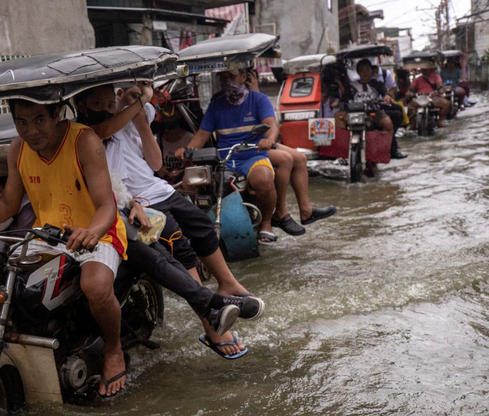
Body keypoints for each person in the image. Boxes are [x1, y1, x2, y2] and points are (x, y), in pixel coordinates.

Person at [0, 99, 129, 398]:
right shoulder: (18, 148)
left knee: (94, 286)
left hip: (97, 232)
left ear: (56, 114)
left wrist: (91, 232)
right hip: (47, 235)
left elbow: (107, 205)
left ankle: (113, 349)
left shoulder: (85, 141)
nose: (31, 130)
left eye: (39, 119)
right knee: (1, 282)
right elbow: (7, 204)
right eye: (22, 122)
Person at [76, 84, 262, 357]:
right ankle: (211, 322)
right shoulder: (89, 136)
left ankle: (227, 282)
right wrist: (135, 107)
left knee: (203, 227)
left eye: (108, 104)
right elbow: (111, 180)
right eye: (97, 105)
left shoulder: (126, 124)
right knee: (180, 249)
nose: (105, 111)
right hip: (135, 203)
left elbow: (154, 163)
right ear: (82, 107)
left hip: (157, 190)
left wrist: (138, 119)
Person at [176, 67, 336, 244]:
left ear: (244, 77)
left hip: (252, 155)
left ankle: (267, 223)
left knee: (264, 178)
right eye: (222, 77)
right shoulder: (216, 106)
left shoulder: (259, 99)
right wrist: (186, 150)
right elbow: (201, 136)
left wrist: (268, 139)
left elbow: (271, 125)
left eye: (231, 76)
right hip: (226, 159)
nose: (226, 81)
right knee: (189, 182)